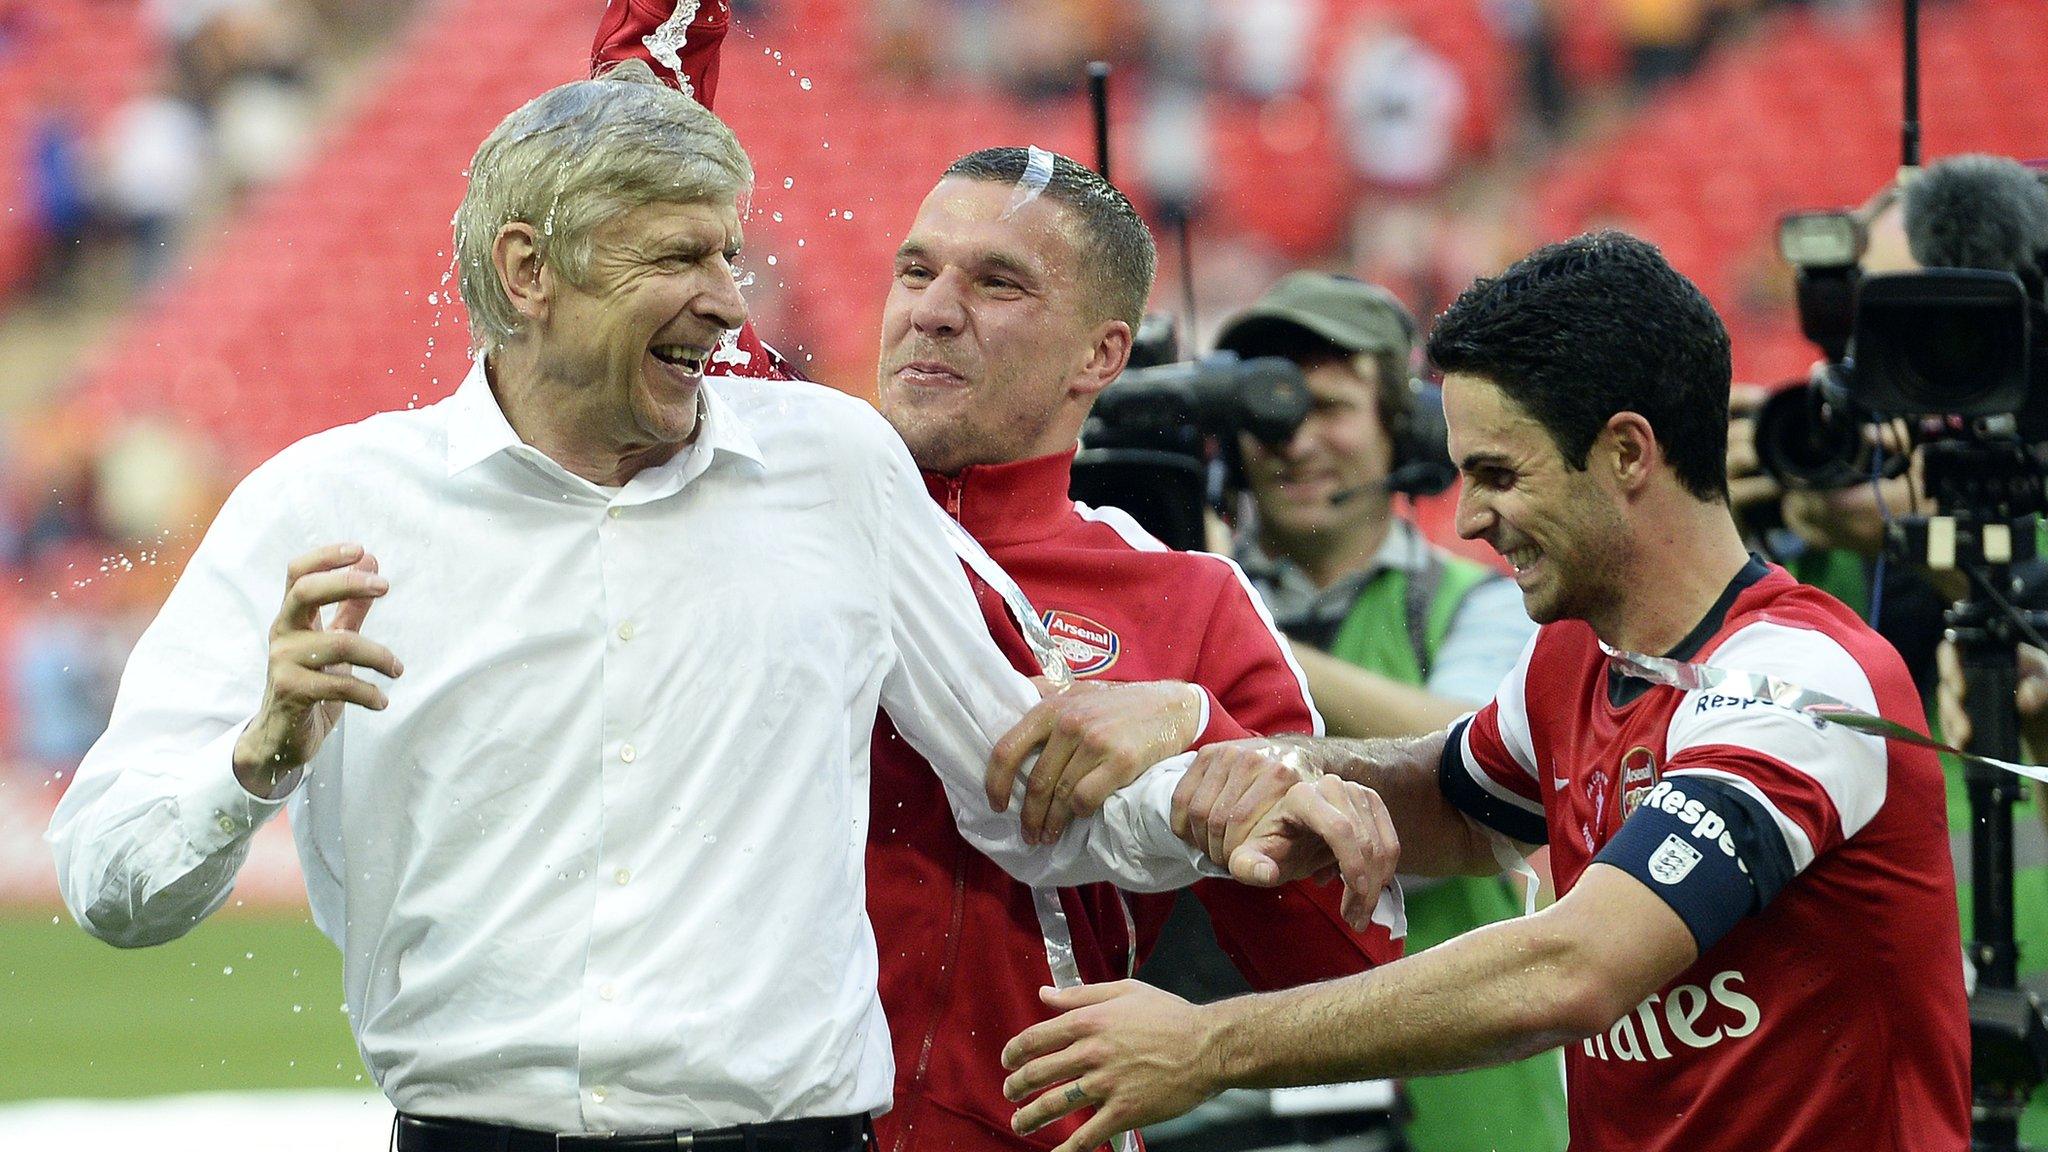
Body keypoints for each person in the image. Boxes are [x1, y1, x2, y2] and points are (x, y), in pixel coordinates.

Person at [47, 65, 1382, 1148]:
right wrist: (251, 771)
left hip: (800, 1133)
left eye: (732, 253)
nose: (732, 304)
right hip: (473, 1133)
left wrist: (1230, 801)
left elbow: (1022, 791)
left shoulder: (829, 464)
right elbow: (113, 886)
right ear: (529, 271)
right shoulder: (321, 508)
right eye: (682, 258)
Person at [589, 12, 1403, 1152]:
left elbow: (1341, 965)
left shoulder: (1189, 601)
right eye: (914, 268)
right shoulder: (766, 477)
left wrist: (1202, 732)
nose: (930, 306)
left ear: (1100, 357)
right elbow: (631, 185)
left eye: (997, 283)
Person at [999, 232, 1971, 1152]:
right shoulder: (1573, 661)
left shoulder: (1793, 684)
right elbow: (1454, 804)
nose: (1465, 518)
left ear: (1627, 453)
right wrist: (1235, 752)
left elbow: (1573, 969)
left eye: (1498, 475)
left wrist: (1211, 1046)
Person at [1216, 273, 1560, 1151]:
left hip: (1461, 1099)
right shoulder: (1182, 596)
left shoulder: (1486, 603)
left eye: (1327, 407)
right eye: (1268, 412)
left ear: (1401, 429)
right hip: (1236, 1093)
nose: (1294, 443)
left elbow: (1482, 761)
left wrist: (1231, 624)